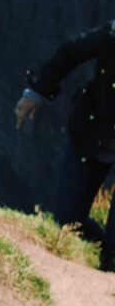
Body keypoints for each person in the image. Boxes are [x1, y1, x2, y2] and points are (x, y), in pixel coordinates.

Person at [15, 18, 115, 272]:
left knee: (114, 252)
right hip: (93, 132)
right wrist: (35, 93)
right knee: (68, 221)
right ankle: (97, 254)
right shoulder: (111, 35)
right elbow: (70, 52)